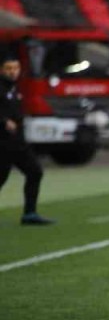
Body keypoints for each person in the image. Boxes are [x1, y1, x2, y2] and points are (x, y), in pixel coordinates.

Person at [0, 54, 54, 225]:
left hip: (18, 143)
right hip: (2, 144)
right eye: (9, 68)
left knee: (35, 172)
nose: (12, 72)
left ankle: (29, 213)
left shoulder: (15, 88)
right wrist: (3, 121)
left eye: (15, 68)